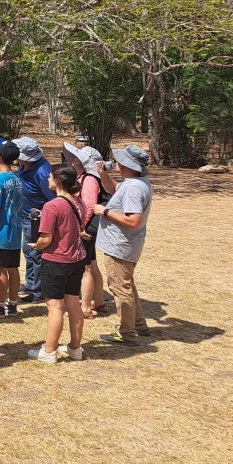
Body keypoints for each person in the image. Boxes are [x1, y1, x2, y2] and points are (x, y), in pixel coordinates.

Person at [92, 145, 153, 345]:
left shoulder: (133, 188)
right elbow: (114, 189)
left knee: (120, 288)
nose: (116, 162)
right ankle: (138, 324)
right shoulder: (135, 183)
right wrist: (102, 174)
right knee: (127, 283)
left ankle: (126, 333)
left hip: (120, 245)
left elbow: (133, 220)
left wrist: (105, 211)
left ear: (126, 164)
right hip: (127, 244)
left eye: (119, 160)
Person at [26, 165, 87, 362]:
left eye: (50, 177)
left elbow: (46, 238)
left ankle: (49, 351)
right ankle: (75, 348)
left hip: (56, 260)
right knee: (73, 304)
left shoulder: (52, 206)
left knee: (55, 307)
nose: (47, 180)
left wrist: (36, 245)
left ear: (58, 181)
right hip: (76, 259)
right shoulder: (79, 203)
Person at [62, 142, 108, 317]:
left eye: (78, 158)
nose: (73, 160)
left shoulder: (89, 179)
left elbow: (88, 206)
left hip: (88, 226)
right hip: (90, 225)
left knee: (85, 268)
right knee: (92, 264)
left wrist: (80, 227)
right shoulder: (85, 178)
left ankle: (86, 307)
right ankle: (100, 301)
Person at [14, 137, 55, 302]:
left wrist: (44, 214)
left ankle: (39, 291)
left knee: (37, 252)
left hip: (37, 218)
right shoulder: (24, 166)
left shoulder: (43, 172)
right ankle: (31, 282)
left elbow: (53, 198)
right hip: (25, 216)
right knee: (28, 251)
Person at [0, 140, 24, 319]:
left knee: (0, 269)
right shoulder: (17, 179)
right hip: (16, 232)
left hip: (1, 232)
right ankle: (13, 304)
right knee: (13, 268)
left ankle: (0, 305)